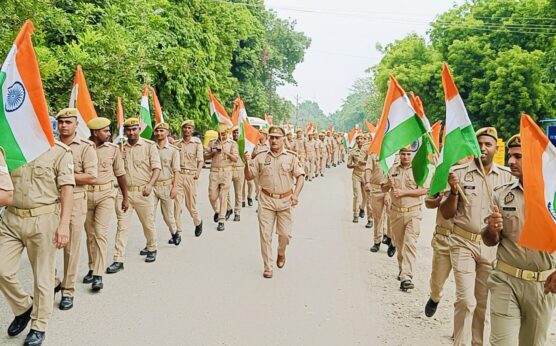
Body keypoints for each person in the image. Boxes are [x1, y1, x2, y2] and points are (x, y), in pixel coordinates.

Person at [439, 127, 513, 346]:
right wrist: (453, 191)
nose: (483, 148)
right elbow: (446, 213)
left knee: (481, 302)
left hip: (490, 247)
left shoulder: (507, 177)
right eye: (479, 144)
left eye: (488, 144)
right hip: (463, 243)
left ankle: (476, 343)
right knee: (466, 299)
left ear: (496, 149)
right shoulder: (459, 173)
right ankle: (460, 342)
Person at [482, 134, 556, 346]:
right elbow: (489, 240)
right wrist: (492, 229)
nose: (511, 161)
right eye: (511, 156)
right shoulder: (501, 195)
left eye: (518, 156)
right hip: (505, 280)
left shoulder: (553, 195)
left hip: (542, 286)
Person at [0, 141, 74, 346]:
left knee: (43, 277)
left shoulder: (59, 151)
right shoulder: (11, 145)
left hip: (44, 219)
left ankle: (39, 325)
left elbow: (67, 189)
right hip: (11, 218)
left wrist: (64, 225)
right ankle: (23, 307)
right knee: (2, 270)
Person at [244, 125, 305, 278]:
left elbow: (300, 176)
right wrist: (247, 163)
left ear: (283, 139)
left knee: (284, 234)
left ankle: (281, 252)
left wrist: (296, 194)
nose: (273, 140)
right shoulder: (260, 156)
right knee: (265, 235)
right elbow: (249, 176)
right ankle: (268, 266)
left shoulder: (291, 157)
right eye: (271, 137)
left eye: (277, 137)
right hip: (266, 201)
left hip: (286, 201)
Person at [54, 108, 98, 311]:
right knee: (43, 244)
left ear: (76, 124)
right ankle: (54, 280)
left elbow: (91, 177)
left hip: (76, 200)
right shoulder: (49, 144)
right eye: (61, 121)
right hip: (51, 200)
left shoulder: (86, 147)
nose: (64, 125)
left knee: (70, 249)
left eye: (68, 122)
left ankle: (68, 290)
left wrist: (63, 176)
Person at [108, 118, 161, 272]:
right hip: (124, 193)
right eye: (128, 130)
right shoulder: (119, 147)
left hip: (143, 192)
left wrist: (150, 185)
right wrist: (119, 156)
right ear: (124, 131)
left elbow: (157, 168)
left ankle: (152, 247)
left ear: (139, 129)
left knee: (148, 223)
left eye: (134, 129)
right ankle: (118, 259)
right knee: (122, 226)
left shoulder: (149, 146)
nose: (131, 132)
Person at [83, 117, 128, 291]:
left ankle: (98, 275)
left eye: (109, 130)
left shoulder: (113, 149)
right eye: (106, 131)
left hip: (106, 194)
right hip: (86, 195)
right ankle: (92, 266)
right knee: (90, 235)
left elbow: (120, 173)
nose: (109, 134)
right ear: (95, 133)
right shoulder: (83, 148)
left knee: (100, 233)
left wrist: (125, 196)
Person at [381, 146, 428, 291]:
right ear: (399, 155)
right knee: (400, 246)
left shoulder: (418, 169)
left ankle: (407, 276)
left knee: (410, 244)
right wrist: (388, 184)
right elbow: (383, 188)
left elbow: (425, 189)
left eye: (408, 154)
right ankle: (402, 270)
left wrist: (404, 192)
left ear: (412, 155)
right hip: (396, 213)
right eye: (403, 154)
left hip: (413, 213)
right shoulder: (392, 169)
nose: (406, 157)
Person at [204, 124, 239, 231]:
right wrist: (214, 152)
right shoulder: (212, 142)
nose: (221, 136)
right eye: (220, 134)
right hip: (214, 172)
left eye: (223, 134)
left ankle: (221, 220)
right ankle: (217, 211)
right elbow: (205, 156)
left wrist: (226, 152)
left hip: (226, 172)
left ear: (227, 133)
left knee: (223, 196)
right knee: (212, 196)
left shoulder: (232, 143)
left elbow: (235, 158)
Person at [151, 122, 181, 246]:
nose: (159, 133)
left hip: (166, 186)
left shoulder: (173, 150)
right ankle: (150, 243)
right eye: (157, 131)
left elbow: (176, 171)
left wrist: (174, 188)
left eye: (162, 131)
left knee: (168, 216)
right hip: (152, 187)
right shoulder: (150, 148)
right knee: (149, 217)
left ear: (167, 132)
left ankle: (175, 233)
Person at [173, 120, 204, 237]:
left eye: (189, 128)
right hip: (179, 175)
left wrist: (198, 172)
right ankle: (178, 232)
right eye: (185, 128)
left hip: (191, 176)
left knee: (190, 205)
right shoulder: (177, 144)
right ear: (182, 129)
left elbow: (200, 160)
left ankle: (198, 221)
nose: (187, 130)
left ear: (192, 130)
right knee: (177, 205)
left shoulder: (197, 143)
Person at [347, 135, 366, 223]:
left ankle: (362, 208)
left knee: (366, 196)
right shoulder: (352, 152)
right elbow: (348, 165)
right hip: (356, 175)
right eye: (358, 139)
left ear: (364, 140)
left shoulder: (368, 151)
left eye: (361, 139)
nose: (359, 140)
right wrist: (356, 165)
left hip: (366, 175)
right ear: (356, 141)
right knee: (357, 195)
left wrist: (365, 163)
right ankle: (355, 214)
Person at [228, 126, 244, 221]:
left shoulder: (244, 144)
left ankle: (237, 212)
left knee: (238, 192)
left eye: (237, 133)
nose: (235, 134)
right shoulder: (229, 143)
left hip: (240, 169)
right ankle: (228, 208)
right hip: (229, 169)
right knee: (225, 191)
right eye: (234, 133)